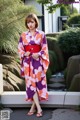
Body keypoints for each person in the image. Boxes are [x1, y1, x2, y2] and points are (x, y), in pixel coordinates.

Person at [18, 13, 49, 117]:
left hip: (38, 62)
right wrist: (24, 54)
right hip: (27, 62)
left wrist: (38, 54)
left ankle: (33, 107)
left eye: (32, 22)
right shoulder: (23, 35)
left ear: (36, 22)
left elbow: (44, 49)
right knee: (31, 85)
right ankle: (39, 108)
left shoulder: (41, 34)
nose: (30, 24)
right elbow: (20, 48)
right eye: (28, 22)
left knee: (37, 83)